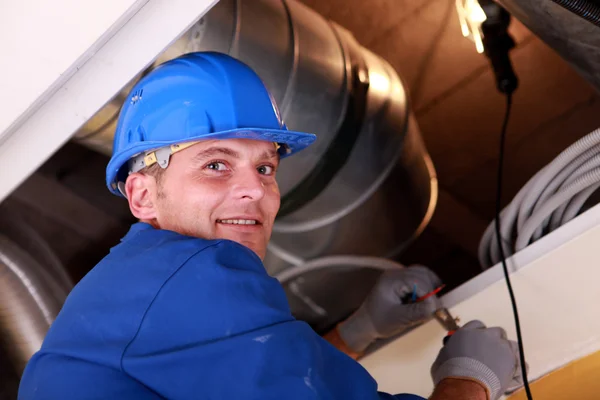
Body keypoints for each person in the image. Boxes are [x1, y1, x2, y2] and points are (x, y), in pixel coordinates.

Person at [18, 52, 523, 400]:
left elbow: (254, 379)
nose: (256, 190)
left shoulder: (136, 288)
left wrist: (358, 330)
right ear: (143, 195)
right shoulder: (190, 270)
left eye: (264, 168)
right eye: (216, 164)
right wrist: (470, 379)